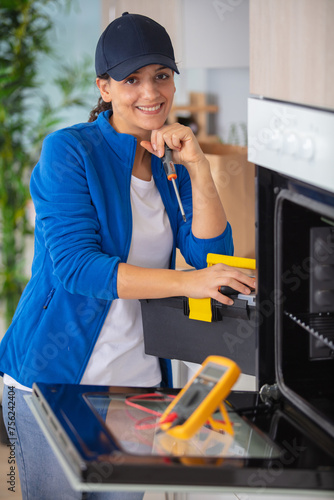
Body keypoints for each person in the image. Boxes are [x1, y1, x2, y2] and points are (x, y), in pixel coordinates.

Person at [0, 12, 255, 500]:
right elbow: (78, 269)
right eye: (131, 79)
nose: (150, 92)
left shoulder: (168, 163)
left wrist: (198, 166)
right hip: (50, 387)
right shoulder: (69, 153)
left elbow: (209, 256)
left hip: (136, 391)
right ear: (104, 87)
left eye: (161, 75)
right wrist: (186, 283)